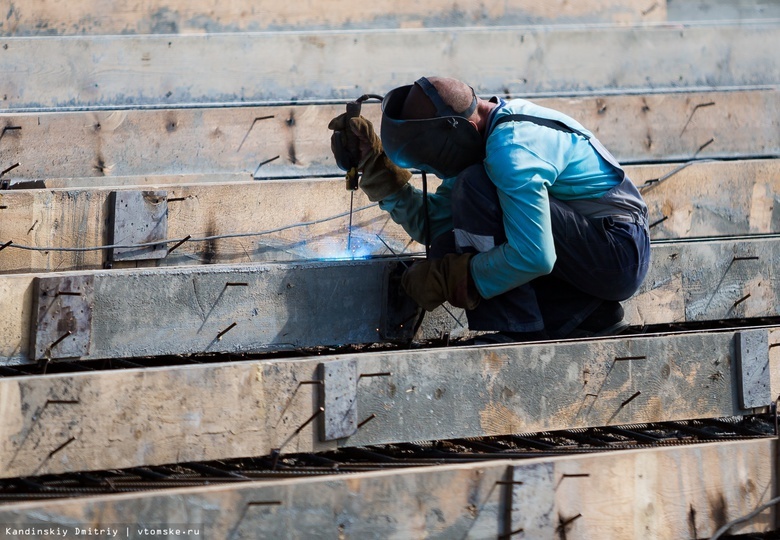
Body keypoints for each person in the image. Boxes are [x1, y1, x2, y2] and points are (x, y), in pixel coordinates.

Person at [329, 76, 650, 342]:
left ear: (456, 131)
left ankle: (520, 329)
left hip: (617, 250)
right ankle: (587, 315)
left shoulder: (510, 149)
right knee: (448, 236)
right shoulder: (487, 141)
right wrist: (375, 168)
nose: (439, 172)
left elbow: (536, 256)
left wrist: (455, 277)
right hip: (588, 247)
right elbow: (437, 225)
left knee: (474, 188)